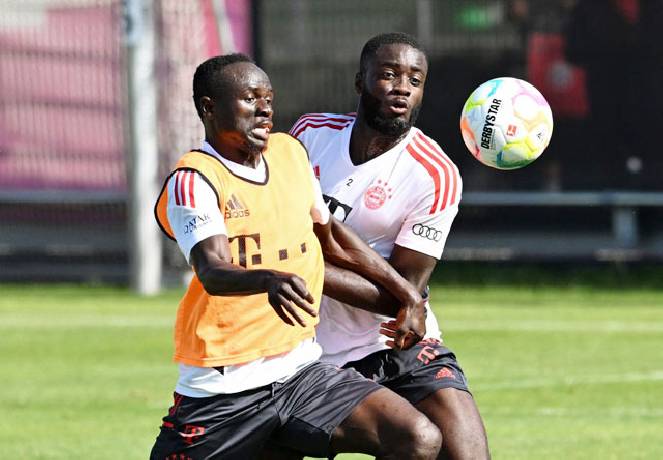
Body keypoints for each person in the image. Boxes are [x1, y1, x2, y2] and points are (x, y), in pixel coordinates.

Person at [149, 53, 443, 459]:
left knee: (417, 437)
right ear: (209, 108)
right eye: (250, 99)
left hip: (300, 372)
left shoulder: (289, 153)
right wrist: (268, 279)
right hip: (223, 388)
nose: (265, 108)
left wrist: (408, 294)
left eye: (268, 97)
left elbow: (332, 236)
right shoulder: (193, 180)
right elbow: (212, 269)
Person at [283, 33, 490, 459]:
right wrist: (300, 264)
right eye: (389, 75)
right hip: (314, 350)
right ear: (360, 82)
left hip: (397, 343)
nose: (402, 88)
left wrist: (301, 266)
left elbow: (401, 295)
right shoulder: (309, 134)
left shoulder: (435, 174)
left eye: (415, 80)